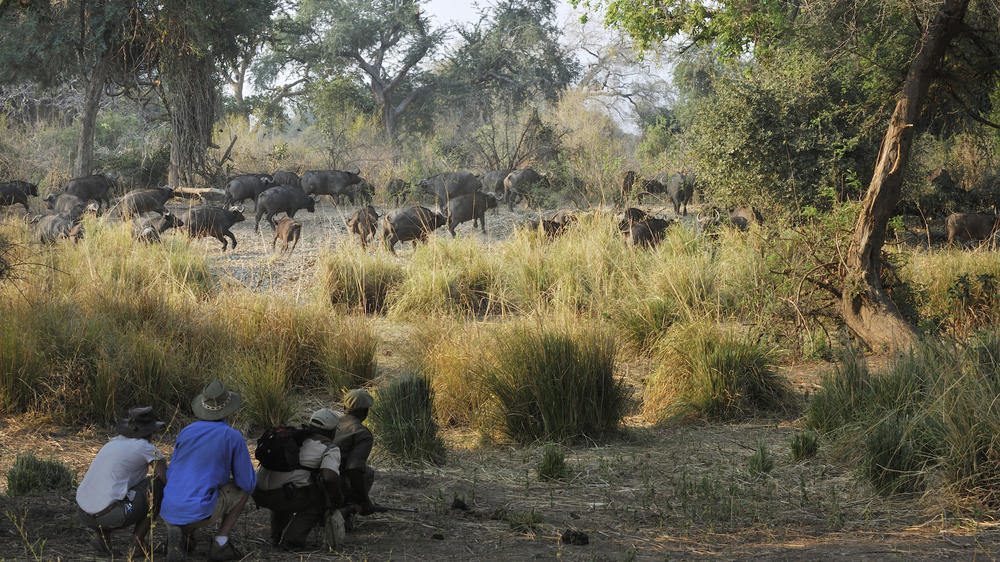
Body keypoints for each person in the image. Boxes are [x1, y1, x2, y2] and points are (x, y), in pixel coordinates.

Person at [161, 380, 256, 562]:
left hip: (169, 509)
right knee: (241, 491)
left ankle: (182, 533)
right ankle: (221, 543)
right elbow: (246, 482)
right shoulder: (232, 436)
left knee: (192, 483)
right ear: (228, 409)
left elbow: (174, 471)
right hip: (201, 511)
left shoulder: (186, 431)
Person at [76, 406, 167, 558]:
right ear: (151, 432)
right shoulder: (147, 448)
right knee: (156, 486)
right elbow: (166, 479)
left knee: (115, 489)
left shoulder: (114, 442)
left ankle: (100, 535)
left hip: (84, 514)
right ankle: (137, 543)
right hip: (111, 515)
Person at [253, 408, 346, 549]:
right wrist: (337, 498)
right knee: (318, 499)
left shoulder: (290, 436)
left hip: (258, 492)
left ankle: (275, 536)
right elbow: (329, 477)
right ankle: (291, 541)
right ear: (332, 431)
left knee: (290, 486)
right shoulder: (329, 447)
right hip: (282, 496)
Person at [333, 389, 384, 523]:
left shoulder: (331, 422)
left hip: (313, 475)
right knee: (367, 472)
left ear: (344, 407)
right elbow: (354, 469)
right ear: (365, 412)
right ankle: (346, 511)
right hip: (334, 479)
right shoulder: (362, 433)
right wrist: (365, 501)